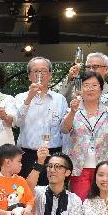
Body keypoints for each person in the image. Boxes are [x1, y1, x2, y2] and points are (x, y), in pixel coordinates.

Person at [60, 70, 108, 199]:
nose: (90, 89)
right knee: (80, 204)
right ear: (80, 89)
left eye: (94, 85)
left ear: (101, 89)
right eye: (86, 85)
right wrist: (72, 112)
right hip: (79, 168)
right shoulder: (72, 111)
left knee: (102, 205)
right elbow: (64, 129)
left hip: (104, 168)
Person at [15, 57, 68, 185]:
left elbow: (65, 129)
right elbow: (17, 123)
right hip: (28, 155)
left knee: (53, 193)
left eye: (44, 71)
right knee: (29, 193)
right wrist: (29, 98)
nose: (40, 75)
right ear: (29, 76)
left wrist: (64, 156)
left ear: (50, 75)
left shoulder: (59, 99)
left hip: (53, 154)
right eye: (36, 71)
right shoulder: (20, 97)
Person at [57, 51, 108, 142]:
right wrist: (70, 79)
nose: (90, 70)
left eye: (95, 67)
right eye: (88, 67)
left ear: (106, 69)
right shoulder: (78, 92)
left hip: (102, 150)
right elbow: (60, 102)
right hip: (76, 147)